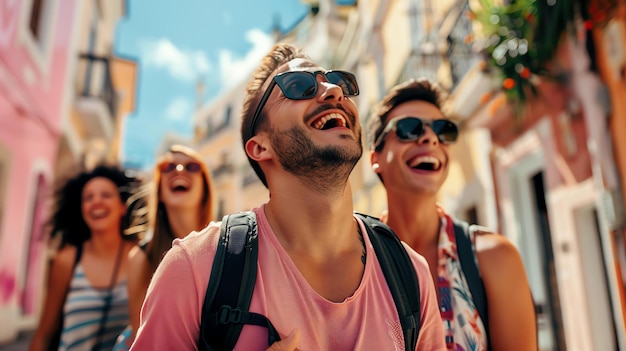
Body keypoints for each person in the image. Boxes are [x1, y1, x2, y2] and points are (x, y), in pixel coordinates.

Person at [130, 43, 445, 350]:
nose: (333, 92)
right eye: (298, 86)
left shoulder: (410, 273)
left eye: (338, 82)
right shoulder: (194, 269)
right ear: (260, 147)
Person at [366, 78, 537, 350]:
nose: (430, 138)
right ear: (375, 158)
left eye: (442, 130)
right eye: (408, 128)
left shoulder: (493, 258)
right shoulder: (356, 262)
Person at [113, 145, 215, 350]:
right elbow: (144, 337)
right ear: (158, 191)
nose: (178, 170)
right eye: (168, 167)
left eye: (192, 166)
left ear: (205, 189)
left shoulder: (229, 247)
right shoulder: (141, 258)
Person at [29, 165, 140, 351]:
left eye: (106, 195)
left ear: (123, 206)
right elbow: (44, 334)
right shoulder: (67, 260)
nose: (96, 202)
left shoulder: (141, 258)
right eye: (88, 197)